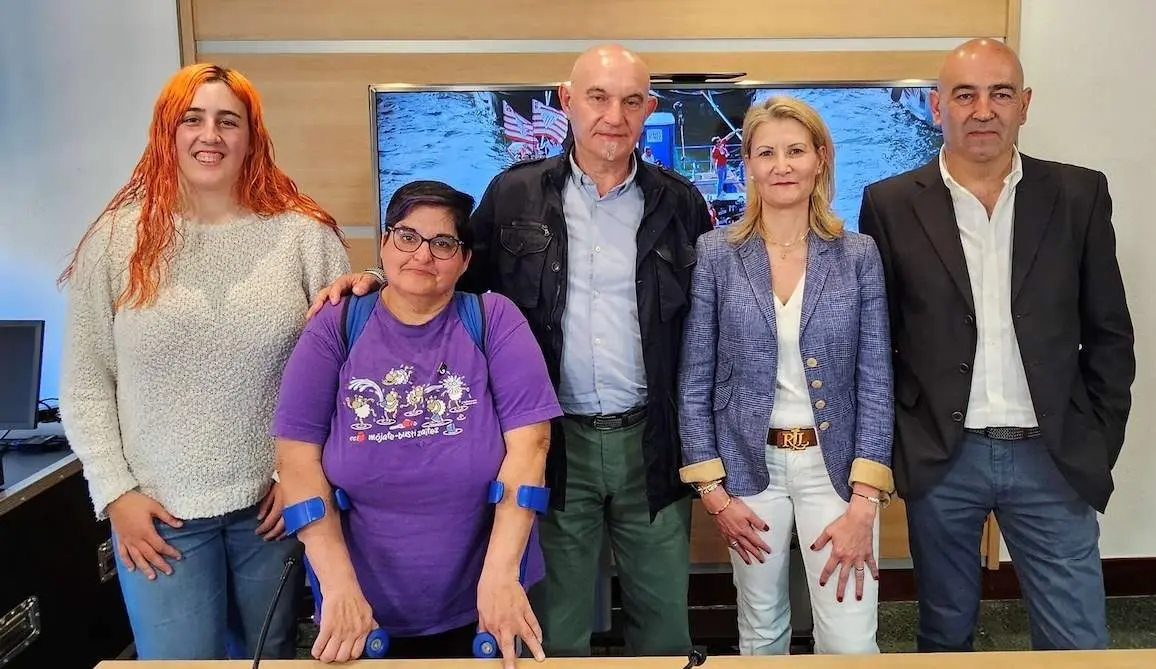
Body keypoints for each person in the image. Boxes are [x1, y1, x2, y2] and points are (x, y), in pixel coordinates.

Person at [307, 44, 713, 657]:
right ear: (566, 101)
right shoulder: (515, 195)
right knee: (551, 629)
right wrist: (372, 278)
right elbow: (449, 279)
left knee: (664, 630)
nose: (614, 115)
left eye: (632, 101)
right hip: (547, 445)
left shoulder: (680, 203)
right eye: (598, 97)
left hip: (652, 443)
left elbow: (708, 318)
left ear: (650, 108)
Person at [57, 63, 350, 660]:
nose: (209, 135)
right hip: (158, 519)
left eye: (227, 121)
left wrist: (296, 476)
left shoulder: (304, 235)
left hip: (271, 510)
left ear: (252, 137)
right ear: (167, 131)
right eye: (192, 119)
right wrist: (115, 494)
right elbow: (87, 383)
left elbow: (343, 369)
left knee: (265, 656)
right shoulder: (116, 242)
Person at [858, 38, 1135, 651]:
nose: (983, 110)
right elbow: (881, 340)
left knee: (1077, 640)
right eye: (965, 95)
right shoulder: (891, 203)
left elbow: (1110, 332)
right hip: (942, 459)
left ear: (1025, 104)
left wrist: (1096, 438)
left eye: (1000, 93)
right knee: (945, 633)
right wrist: (903, 442)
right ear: (937, 107)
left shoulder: (1079, 195)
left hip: (1052, 457)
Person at [272, 180, 562, 666]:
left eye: (443, 243)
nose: (422, 255)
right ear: (385, 244)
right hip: (359, 606)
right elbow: (297, 460)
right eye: (407, 236)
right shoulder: (336, 324)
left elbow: (530, 449)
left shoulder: (494, 320)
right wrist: (338, 586)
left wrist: (499, 576)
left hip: (486, 598)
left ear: (465, 260)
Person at [677, 96, 893, 656]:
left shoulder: (857, 255)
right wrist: (714, 492)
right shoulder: (717, 254)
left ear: (820, 158)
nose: (782, 165)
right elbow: (695, 377)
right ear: (747, 162)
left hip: (836, 472)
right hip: (751, 474)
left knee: (849, 638)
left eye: (796, 150)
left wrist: (865, 497)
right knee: (762, 629)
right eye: (766, 152)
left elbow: (875, 378)